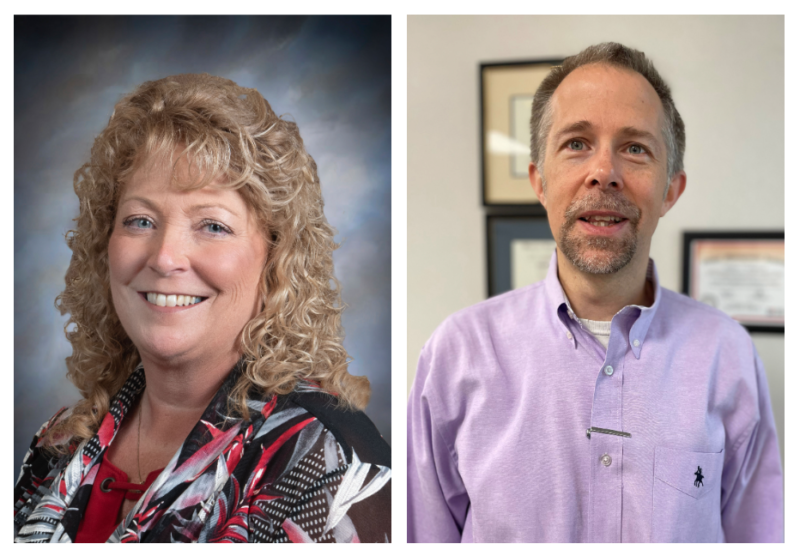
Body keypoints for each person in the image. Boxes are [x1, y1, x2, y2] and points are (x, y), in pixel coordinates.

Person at [407, 43, 782, 542]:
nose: (604, 172)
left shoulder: (727, 355)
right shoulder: (456, 355)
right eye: (577, 143)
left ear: (671, 190)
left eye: (635, 148)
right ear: (540, 182)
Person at [14, 74, 391, 543]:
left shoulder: (324, 458)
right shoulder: (62, 443)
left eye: (212, 225)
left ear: (276, 258)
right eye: (140, 220)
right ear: (103, 244)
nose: (165, 257)